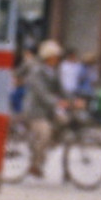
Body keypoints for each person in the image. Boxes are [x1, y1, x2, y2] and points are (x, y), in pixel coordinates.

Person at [22, 39, 64, 176]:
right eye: (55, 56)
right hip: (35, 111)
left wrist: (74, 99)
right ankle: (34, 164)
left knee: (63, 124)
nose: (57, 59)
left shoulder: (54, 72)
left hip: (48, 111)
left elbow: (62, 90)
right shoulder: (37, 72)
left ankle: (41, 152)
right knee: (45, 133)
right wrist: (56, 102)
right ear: (49, 57)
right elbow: (42, 93)